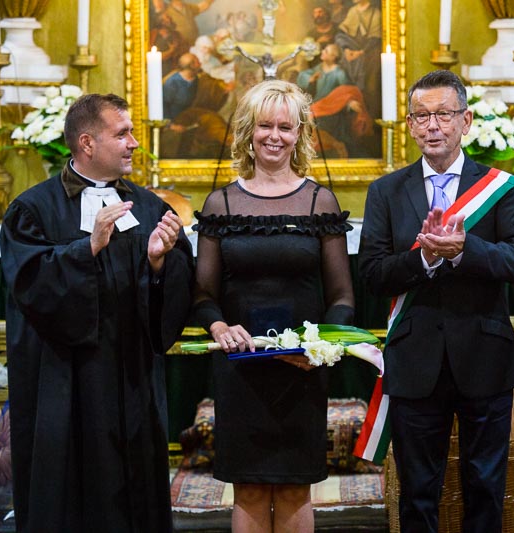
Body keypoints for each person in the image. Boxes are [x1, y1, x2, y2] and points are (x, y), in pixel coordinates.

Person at [0, 93, 194, 532]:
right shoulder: (32, 210)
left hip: (132, 380)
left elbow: (178, 288)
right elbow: (29, 283)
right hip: (64, 382)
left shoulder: (150, 208)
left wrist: (159, 264)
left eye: (133, 133)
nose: (133, 143)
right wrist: (85, 249)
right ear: (87, 143)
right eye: (122, 134)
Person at [359, 70, 514, 532]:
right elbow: (372, 274)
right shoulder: (386, 191)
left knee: (485, 491)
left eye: (443, 114)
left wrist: (463, 251)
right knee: (417, 494)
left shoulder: (501, 186)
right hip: (415, 361)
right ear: (410, 125)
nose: (432, 125)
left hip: (485, 357)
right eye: (421, 116)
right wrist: (426, 260)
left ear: (466, 120)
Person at [192, 79, 355, 533]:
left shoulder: (319, 201)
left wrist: (321, 348)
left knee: (294, 487)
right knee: (246, 487)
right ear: (248, 131)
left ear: (300, 133)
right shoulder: (221, 202)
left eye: (285, 127)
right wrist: (219, 328)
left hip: (301, 369)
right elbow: (202, 293)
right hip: (240, 368)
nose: (275, 136)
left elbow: (343, 295)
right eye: (265, 126)